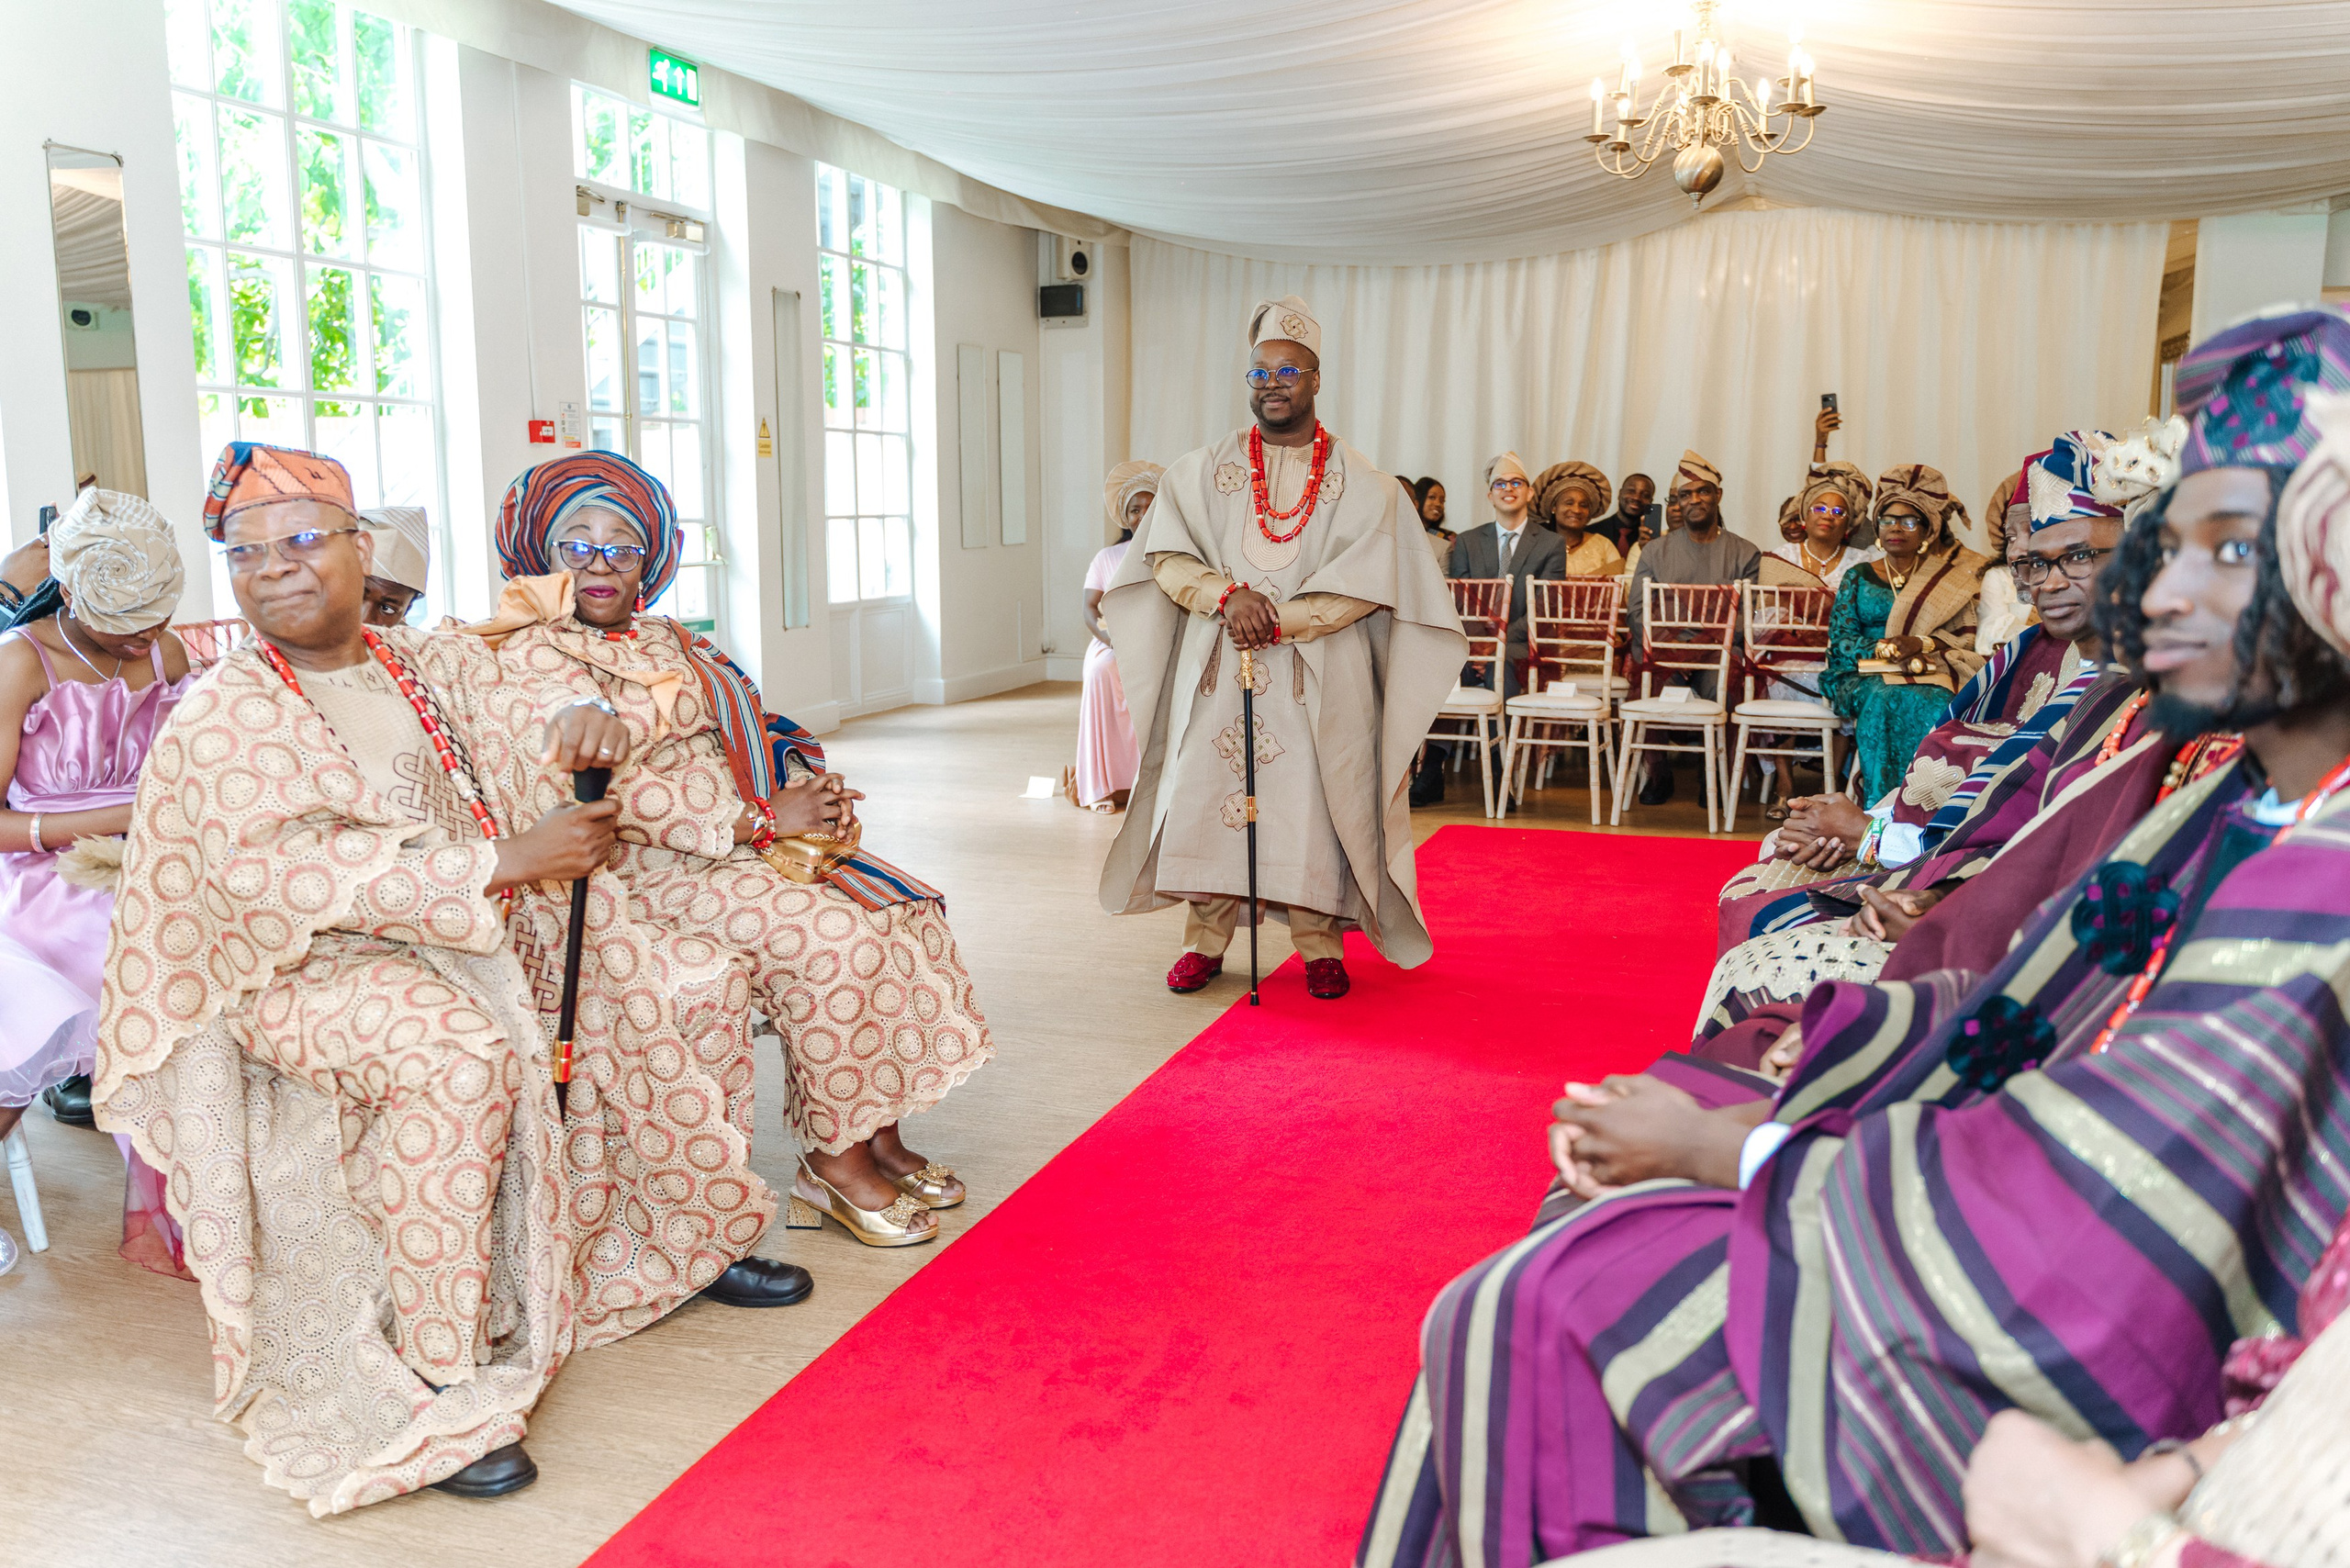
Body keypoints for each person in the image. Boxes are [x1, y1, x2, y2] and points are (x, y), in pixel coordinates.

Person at [1353, 303, 2350, 1564]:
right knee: (1579, 1232)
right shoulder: (2239, 789)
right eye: (2168, 543)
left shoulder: (2314, 854)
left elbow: (2096, 1203)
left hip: (2097, 1330)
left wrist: (1744, 1147)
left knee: (1527, 1305)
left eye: (2229, 549)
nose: (2159, 585)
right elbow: (2046, 991)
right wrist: (1834, 1043)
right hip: (2012, 1181)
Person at [99, 442, 804, 1512]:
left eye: (301, 541)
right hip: (297, 968)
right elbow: (281, 873)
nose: (276, 569)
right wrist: (501, 864)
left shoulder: (416, 660)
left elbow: (530, 718)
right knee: (458, 1051)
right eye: (246, 555)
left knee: (640, 966)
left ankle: (669, 1235)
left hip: (449, 920)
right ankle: (437, 1368)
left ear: (358, 549)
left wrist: (581, 727)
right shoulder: (223, 710)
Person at [473, 450, 993, 1247]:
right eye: (577, 544)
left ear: (650, 557)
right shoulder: (529, 654)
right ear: (541, 553)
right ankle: (832, 1162)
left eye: (623, 545)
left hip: (726, 845)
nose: (600, 564)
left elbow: (744, 726)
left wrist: (804, 785)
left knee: (899, 907)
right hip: (637, 868)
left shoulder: (666, 637)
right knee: (833, 941)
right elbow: (594, 791)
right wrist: (758, 822)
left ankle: (878, 1133)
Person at [1099, 295, 1463, 1002]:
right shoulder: (1197, 471)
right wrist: (1224, 598)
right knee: (1210, 796)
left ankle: (1318, 944)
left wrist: (1281, 620)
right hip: (1216, 665)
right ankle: (1205, 939)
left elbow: (1370, 581)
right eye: (1259, 373)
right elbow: (1164, 560)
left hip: (1318, 673)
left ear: (1317, 379)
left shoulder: (1368, 484)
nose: (1272, 385)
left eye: (1287, 371)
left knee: (1314, 807)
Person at [0, 487, 194, 1277]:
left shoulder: (167, 652)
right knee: (109, 944)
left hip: (149, 852)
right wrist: (114, 817)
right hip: (35, 868)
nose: (146, 638)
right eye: (128, 622)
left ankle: (224, 1187)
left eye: (158, 616)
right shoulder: (22, 661)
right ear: (73, 592)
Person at [1821, 464, 1989, 801]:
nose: (1896, 528)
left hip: (1926, 669)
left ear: (1926, 531)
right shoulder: (1858, 576)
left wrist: (1919, 643)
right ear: (1878, 528)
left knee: (1942, 701)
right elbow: (1840, 642)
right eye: (1887, 520)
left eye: (1909, 521)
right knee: (1884, 699)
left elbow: (1963, 637)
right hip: (1860, 673)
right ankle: (1879, 805)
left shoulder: (1947, 579)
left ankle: (1929, 805)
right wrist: (1887, 649)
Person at [1628, 451, 1762, 803]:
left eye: (1702, 491)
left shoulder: (1745, 552)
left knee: (1732, 676)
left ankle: (1715, 777)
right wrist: (1672, 649)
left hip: (1718, 653)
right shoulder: (1655, 551)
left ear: (1717, 495)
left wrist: (1704, 648)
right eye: (1684, 495)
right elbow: (1638, 611)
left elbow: (1749, 618)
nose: (1694, 500)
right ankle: (1658, 774)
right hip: (1667, 651)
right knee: (1645, 675)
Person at [1071, 462, 1159, 812]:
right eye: (1135, 510)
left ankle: (1147, 787)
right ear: (1126, 517)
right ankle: (1101, 788)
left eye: (1149, 507)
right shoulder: (1106, 557)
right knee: (1101, 672)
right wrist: (1111, 642)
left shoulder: (1174, 555)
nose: (1142, 515)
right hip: (1112, 642)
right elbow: (1090, 609)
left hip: (1156, 642)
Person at [1452, 453, 1570, 700]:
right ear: (1490, 496)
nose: (1508, 488)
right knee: (1436, 662)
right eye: (1500, 483)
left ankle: (1502, 740)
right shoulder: (1467, 541)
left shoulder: (1551, 544)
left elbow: (1544, 609)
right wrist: (1481, 644)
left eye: (1516, 482)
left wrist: (1497, 645)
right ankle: (1439, 742)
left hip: (1524, 645)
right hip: (1473, 642)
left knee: (1500, 664)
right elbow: (1461, 601)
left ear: (1529, 493)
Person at [1762, 461, 1878, 590]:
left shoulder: (1863, 563)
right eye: (1819, 509)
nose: (1827, 516)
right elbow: (1766, 607)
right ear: (1805, 518)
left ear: (1848, 526)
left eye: (1838, 512)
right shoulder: (1782, 557)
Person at [1536, 461, 1625, 577]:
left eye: (1583, 505)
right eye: (1569, 503)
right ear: (1554, 507)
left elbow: (1620, 589)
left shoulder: (1603, 545)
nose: (1576, 510)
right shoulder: (1538, 545)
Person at [357, 505, 431, 626]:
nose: (366, 620)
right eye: (357, 597)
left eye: (386, 608)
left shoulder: (407, 643)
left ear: (406, 610)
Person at [1592, 471, 1657, 554]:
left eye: (1645, 495)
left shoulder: (1652, 539)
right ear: (1620, 494)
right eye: (1631, 491)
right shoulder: (1592, 532)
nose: (1637, 498)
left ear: (1651, 502)